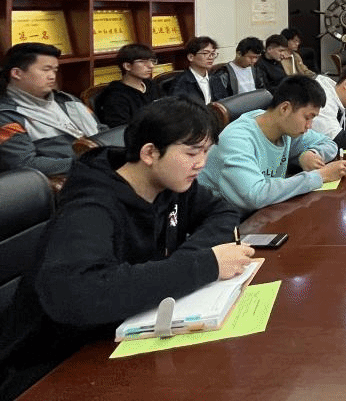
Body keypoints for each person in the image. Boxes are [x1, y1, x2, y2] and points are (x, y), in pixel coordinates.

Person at [0, 96, 253, 400]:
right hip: (53, 364)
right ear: (150, 153)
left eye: (206, 151)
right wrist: (204, 265)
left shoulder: (172, 182)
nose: (202, 163)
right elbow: (80, 293)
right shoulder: (90, 208)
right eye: (192, 153)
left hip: (124, 333)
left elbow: (222, 212)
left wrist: (188, 262)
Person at [198, 75, 346, 213]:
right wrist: (319, 176)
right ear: (285, 108)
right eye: (307, 117)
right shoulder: (237, 138)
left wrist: (309, 154)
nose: (309, 125)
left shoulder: (287, 129)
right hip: (224, 220)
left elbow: (329, 144)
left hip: (266, 212)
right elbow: (255, 195)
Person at [0, 43, 100, 176]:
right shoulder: (6, 115)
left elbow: (102, 130)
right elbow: (24, 163)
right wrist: (87, 163)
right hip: (72, 178)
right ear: (16, 73)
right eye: (46, 70)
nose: (52, 76)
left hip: (100, 167)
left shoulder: (68, 100)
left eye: (54, 70)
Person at [93, 43, 161, 127]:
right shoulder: (115, 96)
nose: (151, 66)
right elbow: (121, 129)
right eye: (142, 61)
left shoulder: (151, 85)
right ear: (127, 66)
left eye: (152, 61)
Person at [169, 36, 218, 104]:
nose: (211, 57)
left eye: (212, 53)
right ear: (191, 57)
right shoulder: (180, 83)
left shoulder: (216, 78)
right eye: (205, 53)